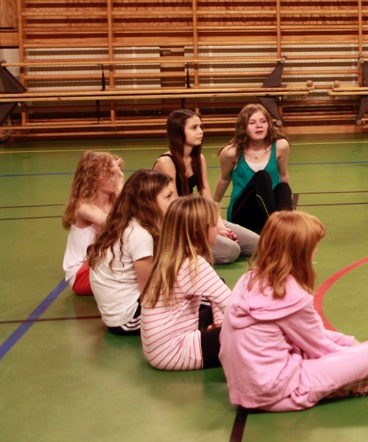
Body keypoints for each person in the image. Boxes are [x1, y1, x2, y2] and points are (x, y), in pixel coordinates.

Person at [221, 211, 368, 411]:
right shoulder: (290, 294)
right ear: (300, 252)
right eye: (313, 246)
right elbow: (322, 348)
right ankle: (336, 387)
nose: (316, 251)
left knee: (320, 350)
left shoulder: (249, 279)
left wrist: (350, 342)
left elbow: (312, 336)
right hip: (278, 391)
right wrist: (358, 355)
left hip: (245, 390)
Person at [139, 195, 232, 371]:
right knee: (250, 334)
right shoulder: (193, 265)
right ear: (199, 233)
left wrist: (220, 323)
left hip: (157, 349)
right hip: (173, 351)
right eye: (214, 225)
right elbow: (235, 308)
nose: (218, 228)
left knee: (216, 293)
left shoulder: (171, 257)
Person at [155, 108, 258, 265]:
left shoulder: (199, 158)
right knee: (231, 251)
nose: (200, 132)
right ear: (178, 132)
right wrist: (208, 229)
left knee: (257, 244)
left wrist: (219, 225)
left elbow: (206, 196)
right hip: (177, 224)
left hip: (197, 217)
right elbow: (175, 208)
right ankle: (179, 251)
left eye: (200, 127)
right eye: (194, 128)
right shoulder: (166, 162)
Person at [86, 170, 173, 335]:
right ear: (149, 202)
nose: (175, 201)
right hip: (127, 318)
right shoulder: (139, 234)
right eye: (168, 197)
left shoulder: (127, 223)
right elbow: (149, 291)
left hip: (122, 311)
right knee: (201, 303)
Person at [213, 104, 294, 235]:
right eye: (252, 122)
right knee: (262, 176)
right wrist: (213, 206)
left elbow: (283, 175)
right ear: (243, 127)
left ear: (269, 125)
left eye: (263, 121)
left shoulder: (280, 146)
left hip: (267, 210)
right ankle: (279, 229)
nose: (259, 126)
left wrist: (288, 208)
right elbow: (224, 178)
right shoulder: (231, 152)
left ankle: (285, 226)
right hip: (242, 213)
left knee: (283, 187)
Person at [61, 151, 123, 296]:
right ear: (93, 179)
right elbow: (112, 222)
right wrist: (120, 185)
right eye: (110, 174)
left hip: (101, 264)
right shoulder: (82, 206)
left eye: (116, 173)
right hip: (82, 274)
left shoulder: (113, 201)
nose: (115, 179)